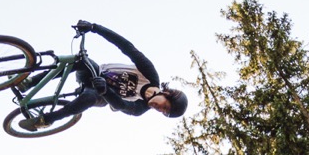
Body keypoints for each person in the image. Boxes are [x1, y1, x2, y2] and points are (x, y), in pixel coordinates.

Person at [19, 20, 188, 131]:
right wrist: (94, 28)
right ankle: (28, 82)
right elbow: (127, 47)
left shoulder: (140, 109)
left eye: (163, 112)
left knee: (91, 97)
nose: (159, 109)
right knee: (81, 60)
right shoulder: (150, 74)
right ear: (167, 94)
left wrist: (106, 91)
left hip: (103, 96)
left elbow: (121, 105)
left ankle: (46, 120)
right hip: (95, 73)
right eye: (165, 107)